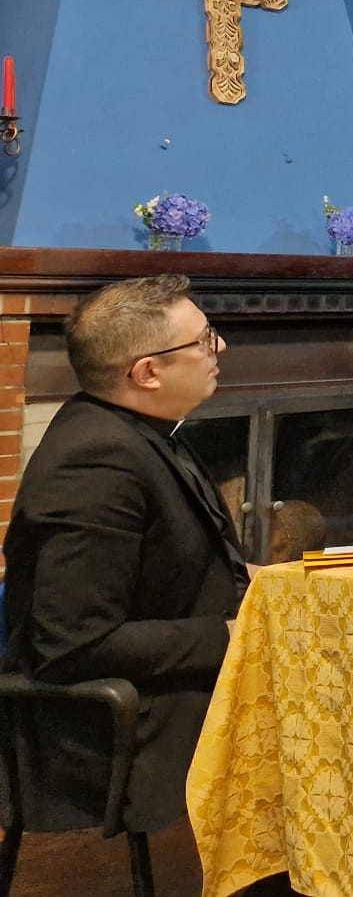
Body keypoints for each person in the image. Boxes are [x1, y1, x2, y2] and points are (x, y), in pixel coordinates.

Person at [0, 274, 249, 835]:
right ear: (147, 373)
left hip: (172, 682)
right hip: (114, 728)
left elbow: (181, 564)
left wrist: (272, 580)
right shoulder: (95, 461)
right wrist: (233, 635)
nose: (220, 346)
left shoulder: (143, 430)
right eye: (204, 338)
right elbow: (73, 644)